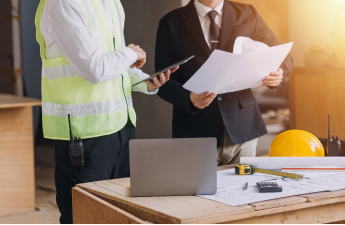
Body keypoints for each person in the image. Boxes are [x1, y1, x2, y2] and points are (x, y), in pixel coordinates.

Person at [35, 0, 178, 223]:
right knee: (84, 217)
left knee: (119, 215)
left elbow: (113, 66)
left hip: (122, 129)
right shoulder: (63, 3)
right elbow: (94, 69)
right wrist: (130, 53)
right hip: (84, 137)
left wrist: (144, 82)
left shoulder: (110, 2)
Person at [155, 0, 293, 166]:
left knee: (243, 190)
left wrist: (278, 73)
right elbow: (161, 82)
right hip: (195, 131)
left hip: (243, 129)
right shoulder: (170, 22)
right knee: (198, 192)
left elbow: (281, 56)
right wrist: (189, 98)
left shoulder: (248, 13)